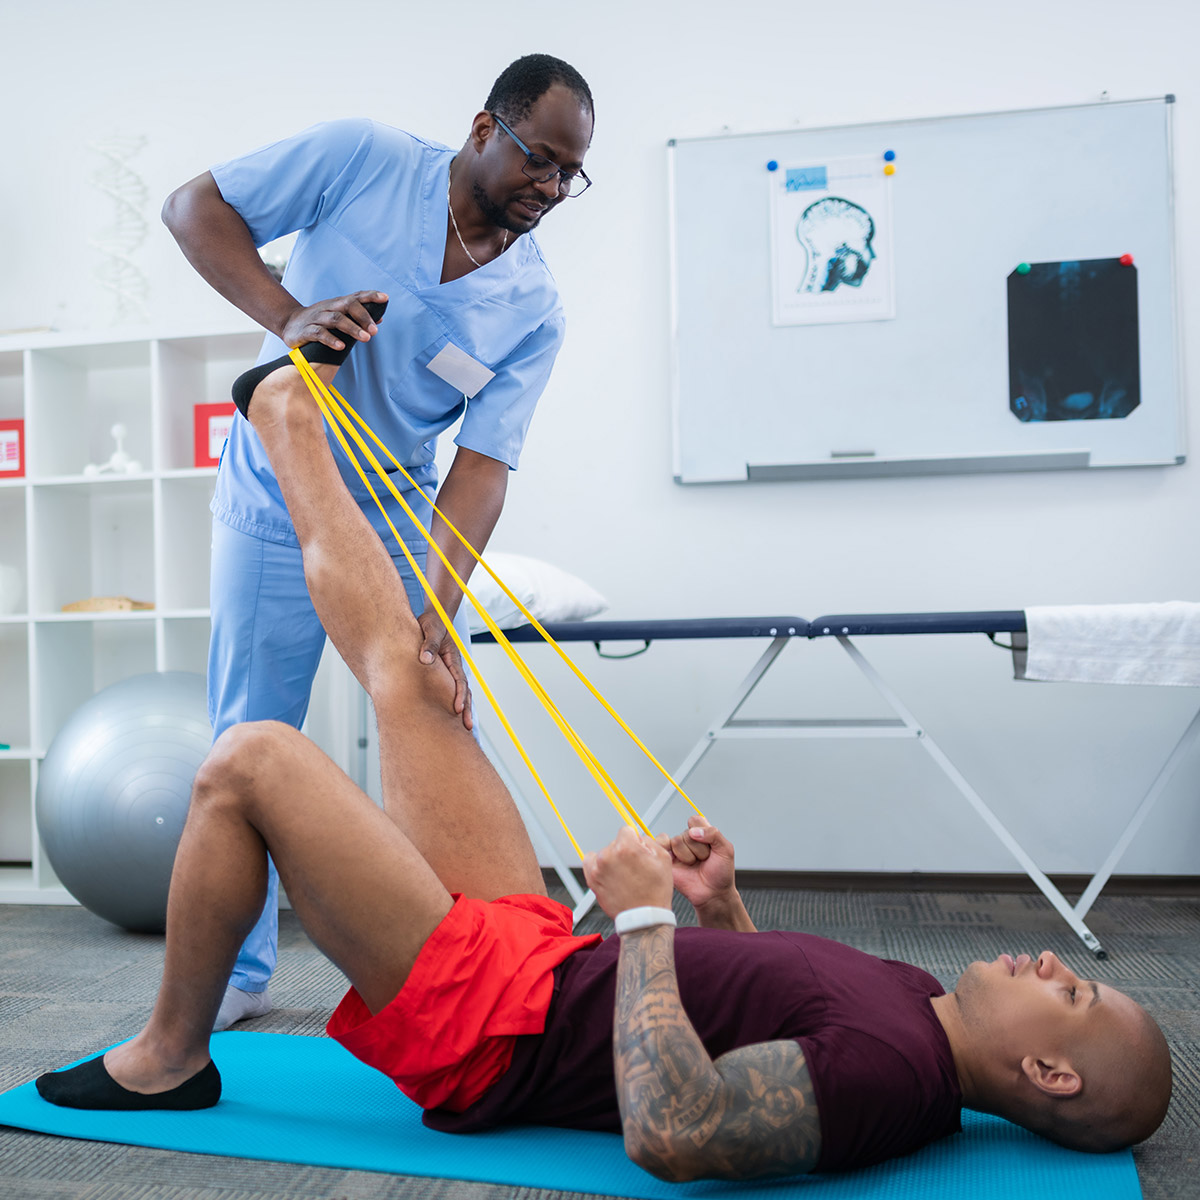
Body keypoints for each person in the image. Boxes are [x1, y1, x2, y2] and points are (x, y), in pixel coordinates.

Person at [39, 357, 1174, 1179]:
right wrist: (718, 908)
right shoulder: (917, 1010)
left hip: (494, 1037)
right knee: (420, 675)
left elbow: (678, 1132)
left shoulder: (891, 1079)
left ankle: (166, 1057)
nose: (1045, 960)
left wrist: (637, 927)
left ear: (1050, 1074)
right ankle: (288, 409)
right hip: (539, 962)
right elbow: (754, 1013)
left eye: (1068, 993)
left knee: (250, 759)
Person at [160, 53, 595, 1028]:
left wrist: (437, 609)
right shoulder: (362, 159)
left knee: (431, 710)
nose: (552, 188)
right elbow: (195, 208)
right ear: (485, 128)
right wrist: (287, 316)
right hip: (277, 492)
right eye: (540, 160)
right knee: (249, 730)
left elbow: (480, 466)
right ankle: (236, 971)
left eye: (571, 175)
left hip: (393, 516)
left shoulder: (534, 306)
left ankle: (467, 963)